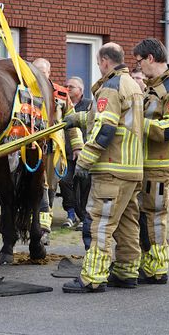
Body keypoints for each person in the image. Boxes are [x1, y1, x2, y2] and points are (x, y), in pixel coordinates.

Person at [62, 43, 144, 293]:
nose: (99, 67)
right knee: (128, 223)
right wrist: (76, 118)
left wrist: (84, 161)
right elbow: (112, 119)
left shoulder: (110, 87)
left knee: (100, 223)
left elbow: (105, 128)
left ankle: (93, 277)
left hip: (111, 168)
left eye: (99, 63)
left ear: (106, 62)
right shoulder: (132, 85)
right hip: (131, 169)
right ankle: (127, 271)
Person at [132, 38, 169, 284]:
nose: (138, 67)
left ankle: (157, 268)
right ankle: (149, 263)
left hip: (160, 165)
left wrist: (141, 125)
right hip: (146, 163)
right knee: (145, 216)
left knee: (155, 216)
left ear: (150, 59)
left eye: (139, 62)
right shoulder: (152, 85)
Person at [32, 58, 83, 245]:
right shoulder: (26, 91)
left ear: (49, 73)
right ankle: (42, 229)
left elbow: (73, 120)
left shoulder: (61, 94)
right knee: (39, 187)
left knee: (51, 188)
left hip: (55, 150)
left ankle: (44, 225)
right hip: (31, 150)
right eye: (35, 71)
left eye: (42, 72)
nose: (38, 75)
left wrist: (77, 146)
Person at [58, 76, 93, 231]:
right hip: (65, 152)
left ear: (81, 90)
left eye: (71, 86)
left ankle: (84, 216)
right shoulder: (61, 104)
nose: (67, 88)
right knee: (64, 181)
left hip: (83, 152)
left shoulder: (89, 105)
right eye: (66, 86)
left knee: (84, 184)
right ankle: (70, 213)